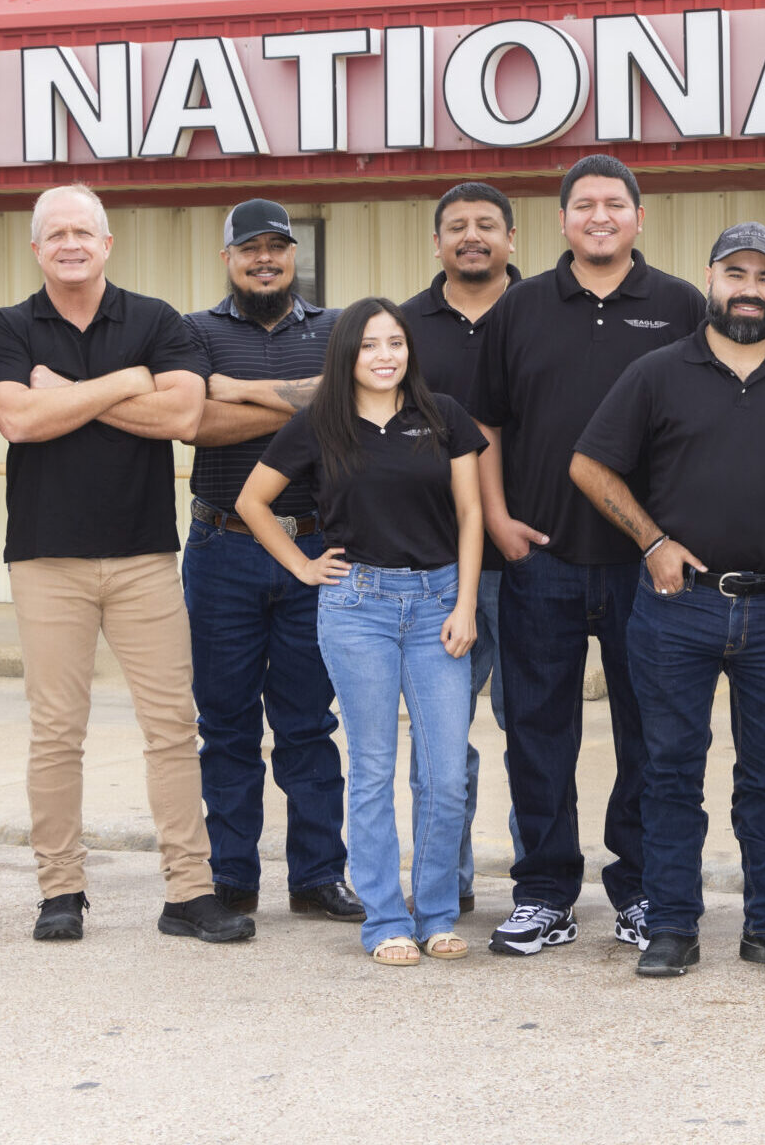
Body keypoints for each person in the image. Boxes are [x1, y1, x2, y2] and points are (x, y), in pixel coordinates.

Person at [572, 222, 765, 978]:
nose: (748, 288)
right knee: (670, 770)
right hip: (678, 607)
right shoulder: (658, 373)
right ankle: (673, 924)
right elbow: (589, 465)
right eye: (734, 273)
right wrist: (652, 542)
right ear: (711, 279)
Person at [0, 183, 251, 944]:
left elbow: (183, 416)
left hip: (143, 558)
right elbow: (18, 420)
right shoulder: (6, 328)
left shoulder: (156, 320)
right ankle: (60, 892)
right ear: (37, 249)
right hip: (46, 559)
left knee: (171, 726)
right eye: (54, 233)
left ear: (106, 244)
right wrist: (126, 383)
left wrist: (70, 394)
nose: (69, 243)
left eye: (82, 231)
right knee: (56, 732)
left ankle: (188, 893)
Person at [467, 155, 706, 957]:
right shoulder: (520, 307)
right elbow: (486, 427)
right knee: (538, 730)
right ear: (560, 222)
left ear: (641, 218)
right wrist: (498, 518)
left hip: (649, 567)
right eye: (583, 205)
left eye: (614, 204)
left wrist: (672, 538)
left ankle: (639, 887)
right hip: (542, 557)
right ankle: (543, 893)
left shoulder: (679, 305)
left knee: (651, 732)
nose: (599, 216)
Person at [238, 297, 486, 966]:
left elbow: (470, 515)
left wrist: (465, 605)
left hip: (438, 605)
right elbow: (251, 501)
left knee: (443, 776)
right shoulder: (320, 423)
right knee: (373, 770)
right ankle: (384, 919)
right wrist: (302, 565)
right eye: (371, 344)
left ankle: (434, 911)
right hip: (358, 608)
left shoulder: (444, 417)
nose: (385, 355)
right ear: (347, 352)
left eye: (396, 343)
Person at [179, 198, 361, 926]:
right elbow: (194, 419)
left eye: (276, 249)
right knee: (224, 723)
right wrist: (304, 404)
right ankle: (232, 878)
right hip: (221, 548)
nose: (264, 260)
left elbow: (345, 404)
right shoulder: (193, 332)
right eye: (249, 249)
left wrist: (240, 393)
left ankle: (318, 876)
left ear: (293, 258)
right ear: (228, 259)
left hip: (315, 548)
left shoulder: (338, 329)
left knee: (308, 721)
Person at [402, 181, 523, 913]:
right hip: (433, 566)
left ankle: (541, 883)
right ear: (437, 242)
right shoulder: (403, 328)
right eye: (456, 226)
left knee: (532, 730)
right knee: (442, 742)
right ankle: (446, 882)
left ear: (512, 239)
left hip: (533, 559)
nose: (471, 236)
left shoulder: (546, 310)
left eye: (486, 225)